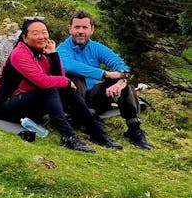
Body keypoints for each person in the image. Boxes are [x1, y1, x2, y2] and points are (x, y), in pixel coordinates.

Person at [0, 17, 118, 153]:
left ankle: (97, 133)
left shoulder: (42, 53)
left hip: (28, 106)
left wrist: (54, 55)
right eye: (35, 33)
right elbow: (43, 82)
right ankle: (68, 137)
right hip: (4, 107)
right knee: (49, 89)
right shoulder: (19, 54)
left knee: (65, 90)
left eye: (44, 32)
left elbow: (59, 78)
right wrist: (67, 82)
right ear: (25, 38)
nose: (41, 36)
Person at [57, 11, 151, 149]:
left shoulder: (97, 48)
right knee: (74, 75)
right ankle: (93, 127)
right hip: (74, 100)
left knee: (124, 84)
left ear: (92, 30)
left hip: (94, 96)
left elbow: (121, 66)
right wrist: (105, 74)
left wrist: (121, 82)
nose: (80, 31)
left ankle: (134, 129)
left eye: (85, 27)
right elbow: (69, 65)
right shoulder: (62, 49)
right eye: (77, 27)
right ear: (70, 29)